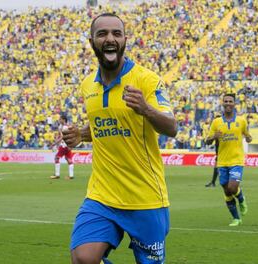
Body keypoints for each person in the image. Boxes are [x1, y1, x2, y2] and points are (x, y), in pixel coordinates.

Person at [62, 13, 177, 264]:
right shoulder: (87, 86)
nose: (110, 38)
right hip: (102, 196)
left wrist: (146, 109)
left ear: (125, 39)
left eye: (116, 33)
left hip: (145, 197)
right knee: (83, 258)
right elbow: (106, 123)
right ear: (91, 41)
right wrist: (81, 134)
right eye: (102, 34)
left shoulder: (147, 80)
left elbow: (172, 127)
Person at [205, 93, 252, 227]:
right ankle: (236, 218)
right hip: (222, 162)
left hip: (236, 160)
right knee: (226, 191)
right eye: (225, 101)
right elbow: (207, 141)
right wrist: (214, 136)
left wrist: (249, 138)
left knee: (232, 187)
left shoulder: (242, 121)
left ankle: (241, 199)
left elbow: (248, 136)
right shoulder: (216, 122)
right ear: (222, 103)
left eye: (230, 101)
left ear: (234, 103)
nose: (228, 103)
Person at [50, 116, 74, 180]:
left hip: (64, 145)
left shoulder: (65, 127)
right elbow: (59, 135)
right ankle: (71, 175)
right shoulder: (61, 126)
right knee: (68, 159)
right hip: (67, 145)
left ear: (64, 120)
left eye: (60, 119)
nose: (59, 120)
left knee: (56, 158)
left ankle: (57, 175)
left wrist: (54, 143)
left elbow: (62, 137)